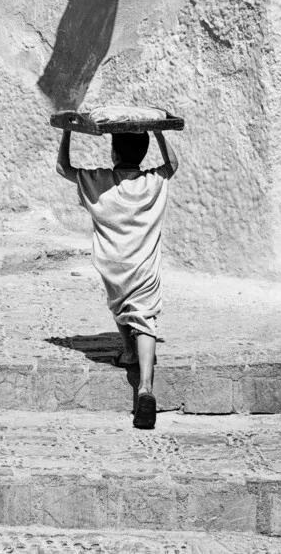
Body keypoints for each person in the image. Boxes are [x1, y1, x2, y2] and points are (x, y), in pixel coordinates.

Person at [55, 128, 178, 429]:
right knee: (145, 317)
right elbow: (172, 165)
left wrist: (68, 132)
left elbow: (63, 168)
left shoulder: (101, 182)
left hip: (113, 264)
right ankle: (145, 388)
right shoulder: (152, 181)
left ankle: (127, 351)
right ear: (142, 154)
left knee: (120, 306)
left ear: (115, 153)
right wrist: (160, 133)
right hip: (144, 263)